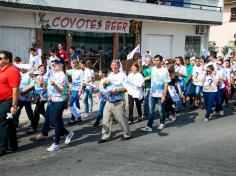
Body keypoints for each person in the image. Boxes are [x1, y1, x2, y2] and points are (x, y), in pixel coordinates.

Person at [44, 58, 74, 152]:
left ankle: (56, 144)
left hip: (60, 100)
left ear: (61, 65)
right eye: (53, 63)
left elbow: (61, 91)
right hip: (53, 99)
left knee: (56, 122)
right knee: (53, 121)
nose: (54, 65)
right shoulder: (53, 74)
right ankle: (68, 133)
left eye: (56, 63)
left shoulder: (62, 76)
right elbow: (48, 87)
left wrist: (54, 85)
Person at [99, 59, 131, 143]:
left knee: (121, 119)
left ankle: (127, 134)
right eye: (113, 65)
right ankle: (105, 136)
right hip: (109, 101)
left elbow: (127, 88)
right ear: (111, 66)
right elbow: (105, 87)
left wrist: (116, 91)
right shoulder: (110, 75)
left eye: (116, 65)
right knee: (106, 119)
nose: (114, 66)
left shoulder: (122, 75)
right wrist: (104, 84)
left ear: (119, 66)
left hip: (118, 101)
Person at [0, 50, 20, 156]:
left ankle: (2, 148)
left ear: (7, 60)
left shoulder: (12, 71)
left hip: (7, 101)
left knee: (1, 123)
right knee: (9, 124)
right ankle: (13, 145)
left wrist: (13, 105)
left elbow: (15, 90)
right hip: (1, 101)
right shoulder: (1, 70)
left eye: (0, 58)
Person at [140, 55, 168, 132]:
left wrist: (164, 95)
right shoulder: (152, 69)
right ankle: (149, 126)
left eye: (158, 60)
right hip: (152, 93)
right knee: (151, 111)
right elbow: (146, 75)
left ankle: (162, 122)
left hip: (161, 94)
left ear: (161, 61)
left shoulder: (165, 70)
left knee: (161, 111)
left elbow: (166, 83)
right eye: (155, 60)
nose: (156, 61)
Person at [21, 65, 48, 132]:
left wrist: (35, 78)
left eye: (43, 69)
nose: (41, 70)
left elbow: (43, 86)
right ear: (38, 70)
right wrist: (21, 92)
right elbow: (31, 85)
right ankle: (50, 122)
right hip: (36, 97)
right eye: (40, 69)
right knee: (42, 111)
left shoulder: (46, 77)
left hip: (43, 97)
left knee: (36, 111)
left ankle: (34, 128)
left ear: (45, 70)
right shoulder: (37, 77)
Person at [15, 66, 35, 133]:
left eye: (24, 67)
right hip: (18, 97)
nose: (22, 68)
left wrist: (25, 91)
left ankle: (33, 125)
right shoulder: (17, 73)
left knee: (29, 111)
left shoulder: (29, 75)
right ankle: (15, 124)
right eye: (21, 67)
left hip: (27, 97)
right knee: (17, 111)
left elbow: (32, 85)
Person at [67, 60, 82, 124]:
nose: (70, 65)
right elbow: (64, 71)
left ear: (75, 64)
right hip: (73, 89)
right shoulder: (72, 70)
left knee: (71, 104)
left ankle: (73, 118)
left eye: (71, 64)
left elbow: (82, 82)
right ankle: (78, 118)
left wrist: (80, 91)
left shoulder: (80, 71)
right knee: (76, 103)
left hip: (77, 90)